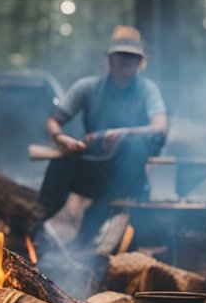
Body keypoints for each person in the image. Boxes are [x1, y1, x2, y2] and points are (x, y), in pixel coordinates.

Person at [38, 26, 168, 246]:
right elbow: (53, 121)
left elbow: (160, 127)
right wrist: (61, 139)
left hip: (129, 178)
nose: (127, 61)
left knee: (134, 145)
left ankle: (90, 237)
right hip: (94, 172)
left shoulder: (147, 90)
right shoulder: (87, 87)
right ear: (110, 60)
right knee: (60, 162)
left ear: (140, 62)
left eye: (132, 57)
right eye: (122, 56)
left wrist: (124, 133)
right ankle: (36, 224)